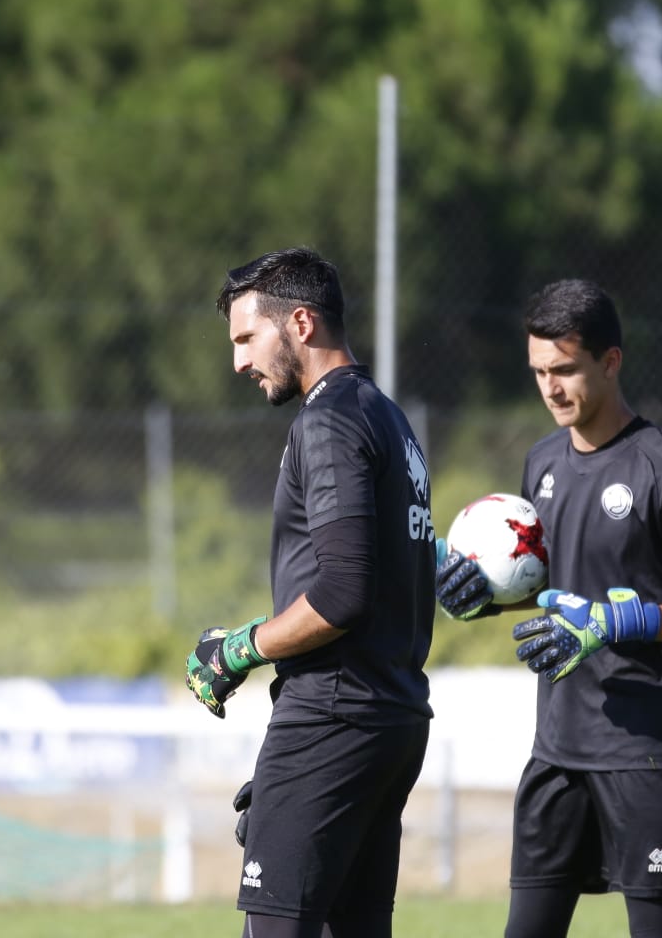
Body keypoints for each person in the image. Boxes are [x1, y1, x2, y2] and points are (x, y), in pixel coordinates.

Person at [435, 279, 662, 938]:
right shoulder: (542, 462)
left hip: (645, 754)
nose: (550, 388)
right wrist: (481, 599)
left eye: (565, 370)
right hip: (556, 752)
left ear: (610, 361)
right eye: (538, 373)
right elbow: (548, 585)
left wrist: (629, 620)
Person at [185, 246, 437, 938]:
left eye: (246, 338)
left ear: (299, 322)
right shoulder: (387, 417)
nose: (239, 361)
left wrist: (237, 649)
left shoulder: (327, 420)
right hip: (390, 716)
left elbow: (344, 591)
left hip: (334, 713)